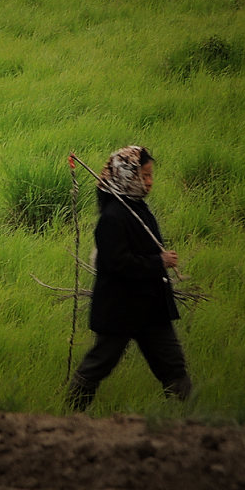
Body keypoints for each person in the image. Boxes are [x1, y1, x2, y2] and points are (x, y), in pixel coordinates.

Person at [67, 145, 192, 411]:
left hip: (150, 308)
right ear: (126, 175)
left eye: (150, 176)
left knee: (173, 366)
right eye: (143, 176)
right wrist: (158, 262)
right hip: (120, 309)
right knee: (98, 365)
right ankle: (67, 419)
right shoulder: (113, 217)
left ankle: (186, 422)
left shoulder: (137, 209)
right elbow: (116, 264)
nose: (148, 183)